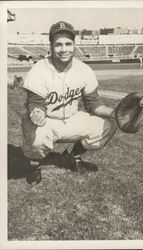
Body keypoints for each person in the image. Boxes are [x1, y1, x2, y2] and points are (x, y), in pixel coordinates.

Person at [21, 21, 117, 185]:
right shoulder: (39, 70)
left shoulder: (84, 69)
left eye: (68, 43)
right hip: (47, 120)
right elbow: (36, 102)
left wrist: (114, 113)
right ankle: (34, 166)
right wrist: (37, 112)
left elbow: (93, 102)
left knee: (107, 125)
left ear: (74, 45)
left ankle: (73, 157)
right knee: (37, 136)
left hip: (71, 119)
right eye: (58, 44)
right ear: (51, 46)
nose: (64, 49)